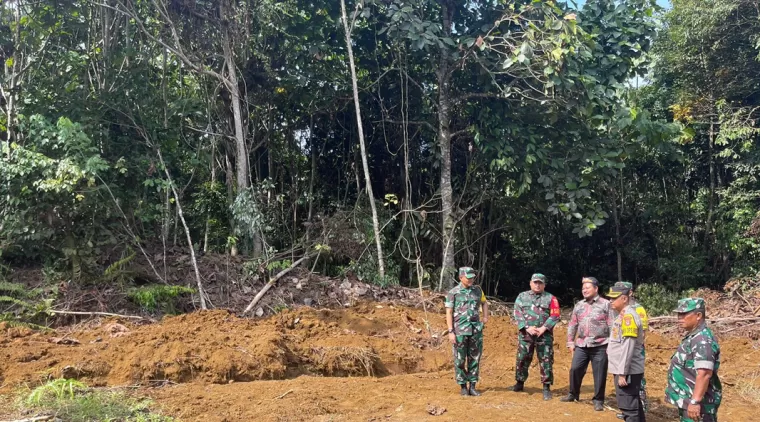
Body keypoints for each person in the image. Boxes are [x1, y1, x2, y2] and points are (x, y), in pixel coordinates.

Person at [665, 298, 722, 422]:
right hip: (689, 402)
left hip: (699, 405)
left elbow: (705, 374)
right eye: (678, 314)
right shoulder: (693, 337)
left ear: (698, 315)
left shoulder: (702, 340)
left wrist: (695, 401)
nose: (679, 318)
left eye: (684, 314)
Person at [562, 277, 612, 411]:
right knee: (575, 369)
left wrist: (612, 345)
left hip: (601, 344)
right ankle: (573, 393)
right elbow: (573, 324)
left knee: (600, 373)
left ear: (596, 288)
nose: (584, 290)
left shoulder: (606, 304)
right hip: (582, 344)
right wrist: (570, 341)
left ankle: (598, 399)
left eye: (587, 287)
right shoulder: (579, 305)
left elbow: (612, 324)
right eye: (583, 288)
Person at [509, 273, 560, 400]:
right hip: (526, 334)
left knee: (546, 360)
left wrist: (544, 328)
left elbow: (555, 315)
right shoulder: (522, 296)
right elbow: (517, 312)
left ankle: (546, 387)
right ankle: (519, 383)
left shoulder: (551, 298)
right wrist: (527, 327)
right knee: (522, 359)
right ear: (530, 283)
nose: (537, 285)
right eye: (535, 282)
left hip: (545, 335)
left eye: (540, 283)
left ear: (544, 284)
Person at [445, 266, 489, 396]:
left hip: (475, 330)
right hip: (459, 331)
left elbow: (484, 303)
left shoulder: (477, 290)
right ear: (460, 277)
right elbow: (449, 312)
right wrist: (450, 331)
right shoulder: (453, 293)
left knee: (475, 358)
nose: (471, 280)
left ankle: (473, 386)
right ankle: (463, 386)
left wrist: (485, 317)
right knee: (459, 359)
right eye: (468, 278)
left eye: (472, 278)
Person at [606, 284, 646, 422]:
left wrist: (623, 373)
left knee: (628, 408)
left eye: (613, 298)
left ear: (624, 298)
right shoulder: (622, 315)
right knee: (633, 406)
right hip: (625, 369)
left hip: (627, 371)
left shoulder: (629, 317)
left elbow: (628, 347)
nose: (610, 301)